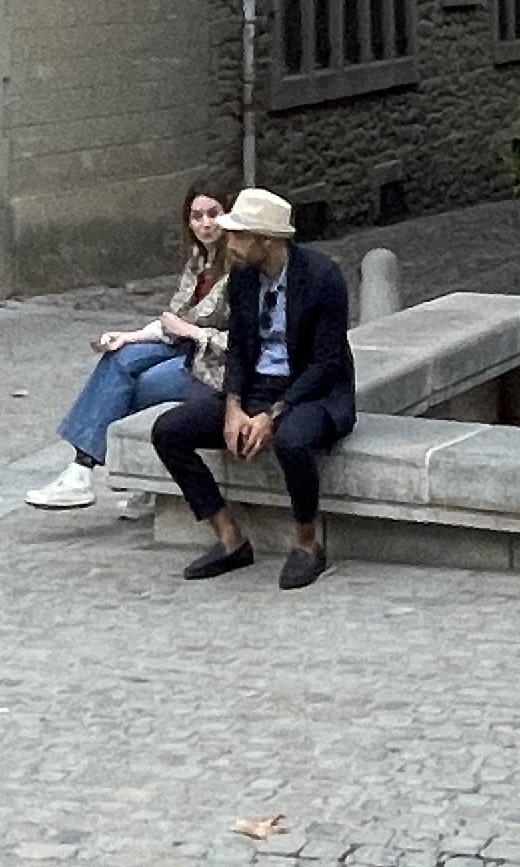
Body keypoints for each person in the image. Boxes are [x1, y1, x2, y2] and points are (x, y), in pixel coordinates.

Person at [144, 185, 355, 589]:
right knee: (169, 431)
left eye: (240, 236)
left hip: (312, 390)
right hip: (257, 383)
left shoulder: (322, 277)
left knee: (292, 441)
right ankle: (229, 538)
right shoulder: (242, 275)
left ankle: (307, 543)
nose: (231, 243)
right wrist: (234, 406)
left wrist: (272, 415)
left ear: (268, 240)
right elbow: (239, 346)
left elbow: (326, 364)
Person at [26, 190, 230, 510]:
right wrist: (130, 336)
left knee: (142, 384)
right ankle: (80, 472)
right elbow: (173, 320)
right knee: (119, 358)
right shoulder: (197, 261)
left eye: (213, 213)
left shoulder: (239, 266)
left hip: (213, 361)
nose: (205, 224)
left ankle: (129, 475)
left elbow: (224, 334)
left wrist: (188, 331)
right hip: (182, 345)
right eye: (196, 216)